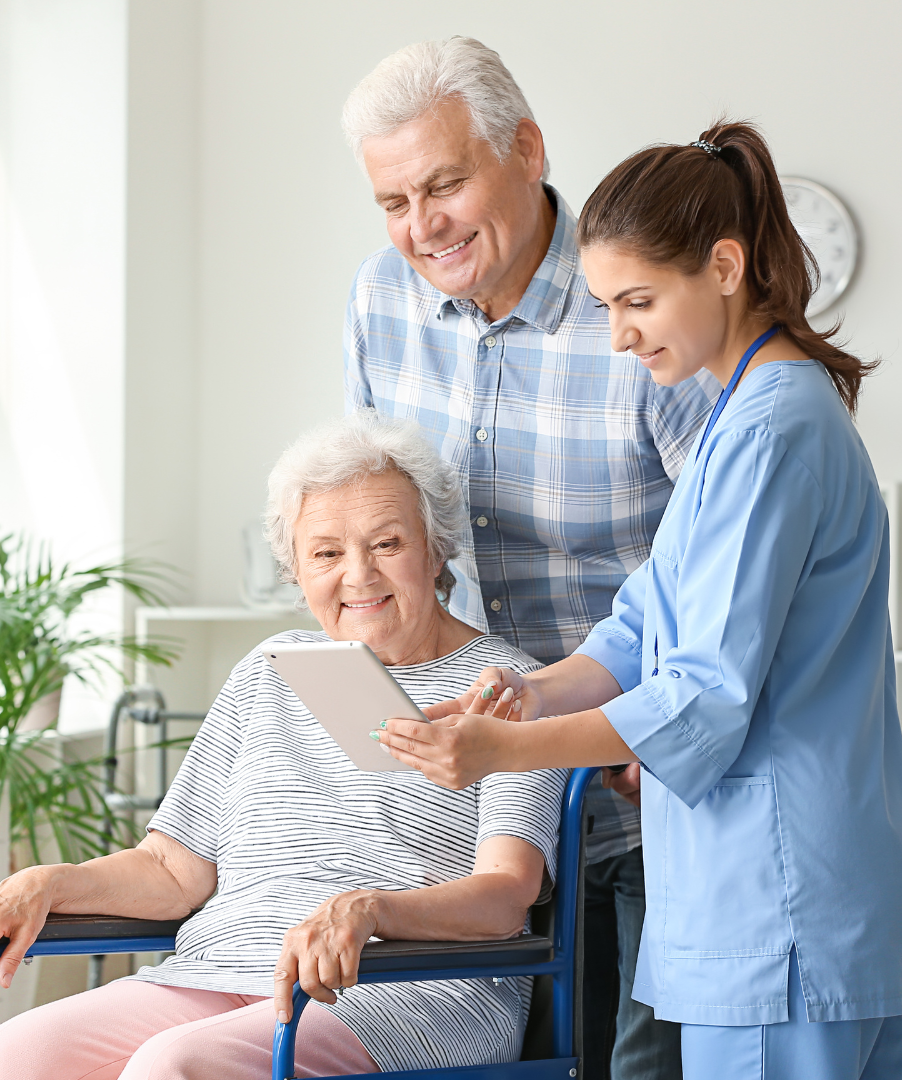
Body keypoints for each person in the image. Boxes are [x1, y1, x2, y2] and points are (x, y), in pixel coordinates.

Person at [374, 120, 902, 1080]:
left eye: (639, 301)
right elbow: (642, 623)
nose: (618, 334)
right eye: (610, 304)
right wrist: (527, 697)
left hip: (777, 904)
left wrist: (505, 752)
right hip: (762, 903)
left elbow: (701, 693)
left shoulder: (772, 429)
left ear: (726, 268)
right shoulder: (740, 417)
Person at [0, 410, 568, 1080]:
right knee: (7, 1059)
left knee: (172, 1066)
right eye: (326, 553)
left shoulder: (514, 691)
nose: (357, 576)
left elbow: (507, 893)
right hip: (218, 970)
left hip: (404, 987)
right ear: (297, 570)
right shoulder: (271, 667)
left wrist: (372, 910)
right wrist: (39, 883)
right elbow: (172, 870)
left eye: (387, 544)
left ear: (436, 547)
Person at [342, 35, 713, 1078]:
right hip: (483, 808)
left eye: (445, 184)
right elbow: (389, 529)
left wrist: (645, 711)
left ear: (528, 149)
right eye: (393, 202)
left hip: (645, 784)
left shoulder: (634, 305)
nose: (423, 228)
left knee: (639, 1067)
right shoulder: (380, 302)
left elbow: (716, 547)